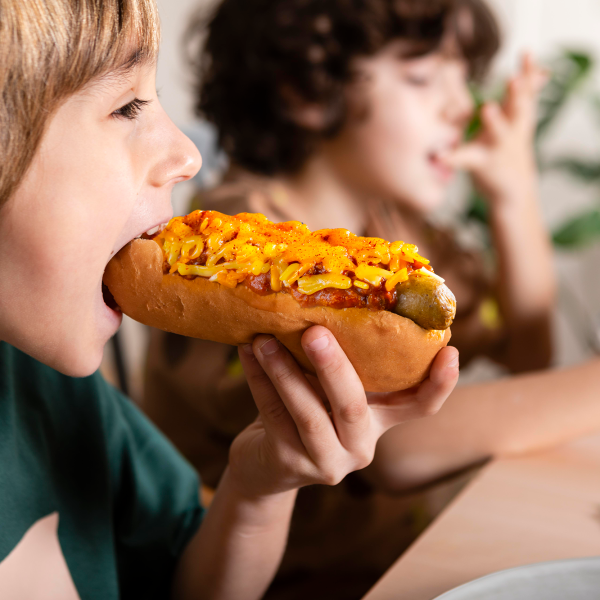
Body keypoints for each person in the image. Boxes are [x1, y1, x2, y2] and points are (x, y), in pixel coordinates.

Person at [0, 1, 460, 599]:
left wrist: (259, 483)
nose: (188, 154)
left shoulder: (53, 391)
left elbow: (191, 585)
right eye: (126, 106)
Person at [142, 0, 596, 597]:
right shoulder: (242, 250)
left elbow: (524, 369)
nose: (462, 105)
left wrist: (515, 200)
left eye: (463, 76)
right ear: (306, 88)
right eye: (422, 76)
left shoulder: (399, 230)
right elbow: (397, 448)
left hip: (392, 566)